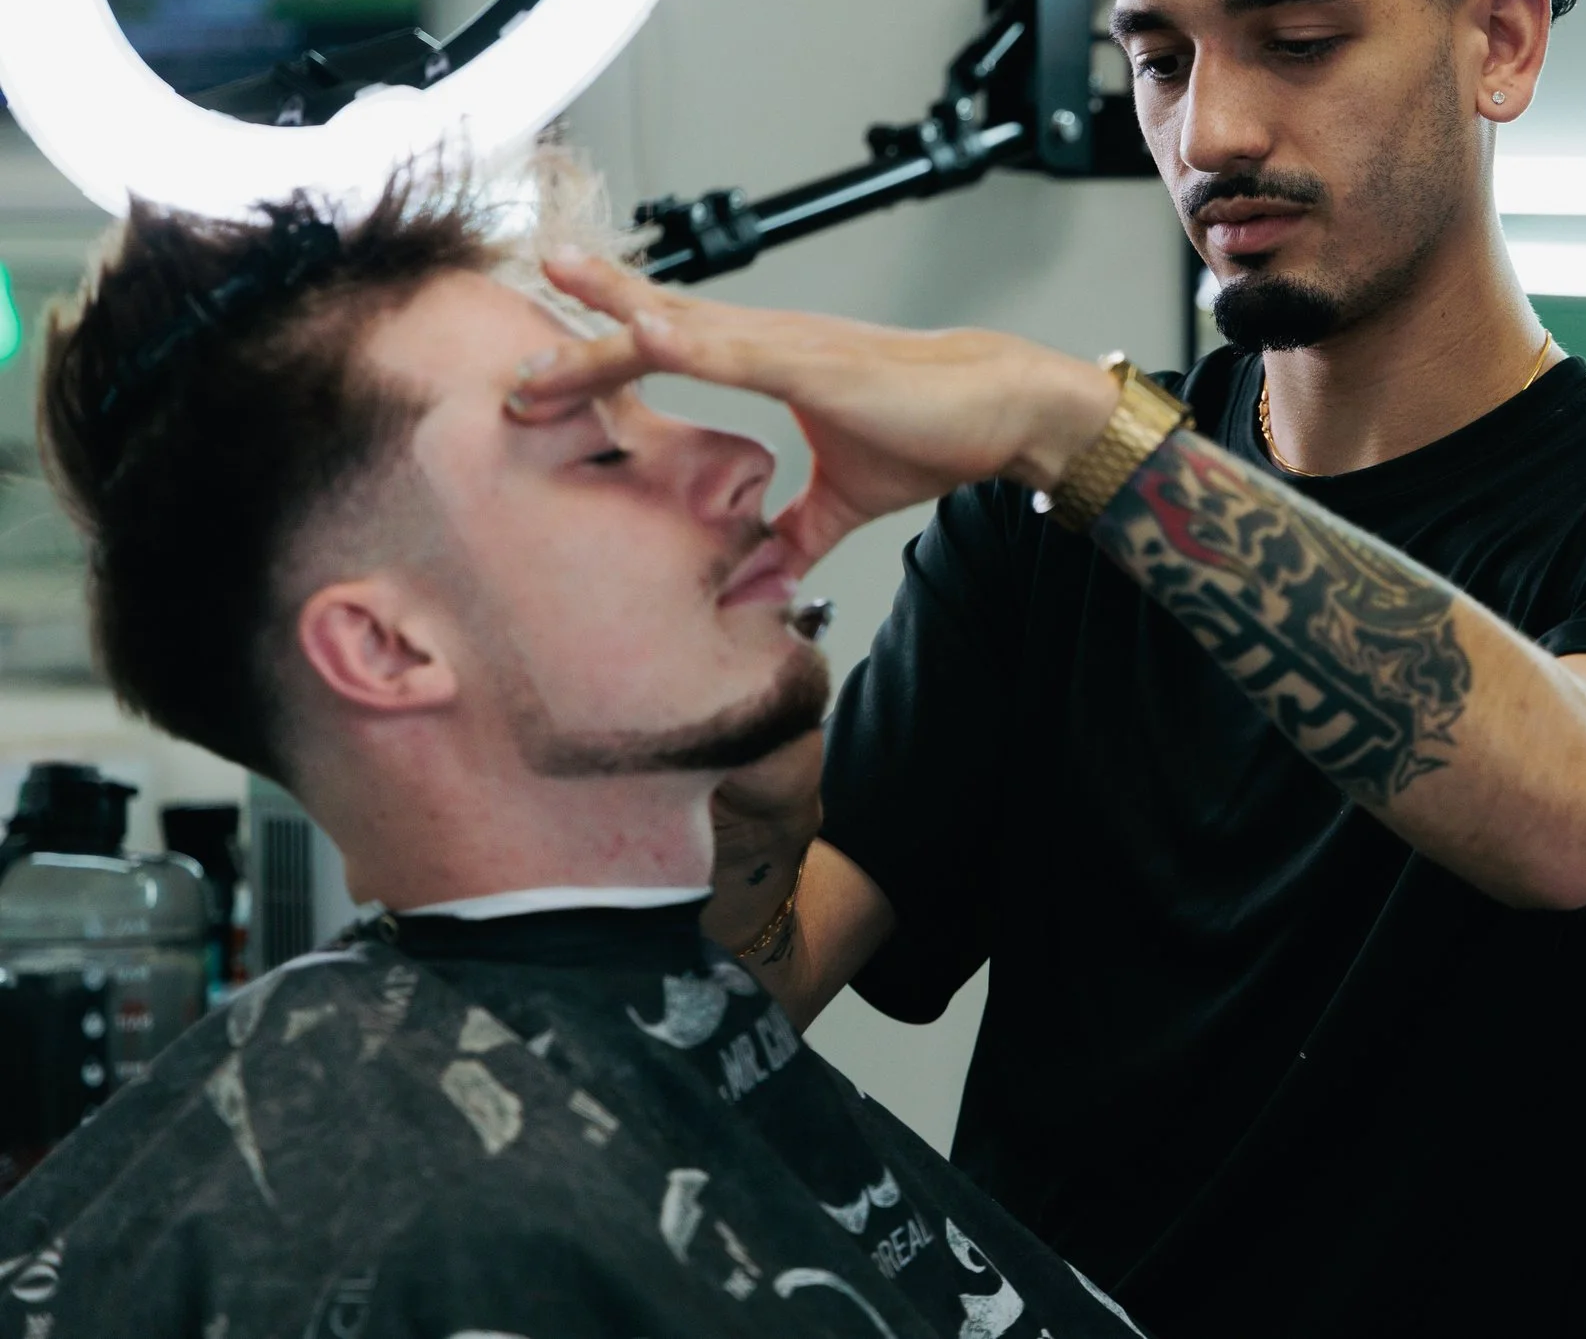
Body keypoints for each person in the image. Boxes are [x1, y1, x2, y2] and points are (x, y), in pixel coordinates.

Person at [516, 0, 1586, 1336]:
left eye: (1297, 37)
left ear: (1500, 41)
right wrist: (739, 769)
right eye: (1161, 56)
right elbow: (745, 987)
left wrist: (1078, 428)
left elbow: (1570, 813)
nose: (1211, 133)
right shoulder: (1040, 535)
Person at [2, 175, 1148, 1338]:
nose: (744, 458)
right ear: (386, 647)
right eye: (599, 451)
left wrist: (1077, 434)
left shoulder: (634, 1027)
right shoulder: (416, 1222)